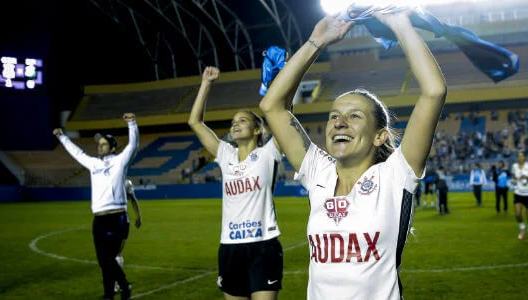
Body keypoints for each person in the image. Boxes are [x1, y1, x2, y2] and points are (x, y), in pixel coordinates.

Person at [259, 11, 446, 299]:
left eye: (354, 116)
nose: (339, 122)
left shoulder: (395, 176)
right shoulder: (318, 171)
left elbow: (433, 92)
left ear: (379, 136)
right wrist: (316, 41)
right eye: (334, 116)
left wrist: (399, 25)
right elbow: (272, 105)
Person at [188, 66, 284, 300]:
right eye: (233, 122)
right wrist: (206, 84)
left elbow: (282, 115)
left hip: (263, 244)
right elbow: (195, 122)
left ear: (257, 129)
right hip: (230, 246)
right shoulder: (225, 154)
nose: (235, 124)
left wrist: (279, 79)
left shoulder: (269, 152)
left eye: (242, 120)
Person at [53, 113, 139, 300]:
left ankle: (124, 286)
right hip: (99, 218)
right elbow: (77, 153)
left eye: (104, 144)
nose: (99, 147)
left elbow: (133, 145)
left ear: (113, 147)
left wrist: (132, 124)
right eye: (99, 145)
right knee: (103, 260)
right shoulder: (93, 164)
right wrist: (62, 137)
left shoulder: (120, 161)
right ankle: (109, 294)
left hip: (117, 217)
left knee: (109, 257)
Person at [114, 179, 143, 294]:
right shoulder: (127, 183)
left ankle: (115, 284)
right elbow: (133, 199)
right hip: (122, 220)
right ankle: (118, 284)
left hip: (111, 220)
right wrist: (139, 216)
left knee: (112, 254)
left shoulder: (110, 181)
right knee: (117, 253)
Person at [511, 151, 528, 242]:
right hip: (518, 192)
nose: (520, 158)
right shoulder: (514, 166)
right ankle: (522, 228)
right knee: (518, 214)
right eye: (518, 156)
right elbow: (514, 177)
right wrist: (513, 180)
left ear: (525, 157)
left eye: (522, 156)